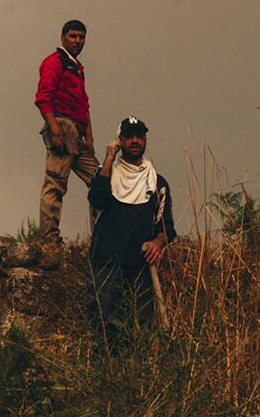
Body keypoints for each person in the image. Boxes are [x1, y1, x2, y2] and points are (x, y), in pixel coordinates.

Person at [87, 116, 176, 335]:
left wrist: (157, 243)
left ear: (145, 140)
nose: (135, 141)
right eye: (128, 137)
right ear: (120, 141)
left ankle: (139, 369)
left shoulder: (157, 183)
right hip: (107, 263)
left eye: (139, 136)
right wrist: (108, 158)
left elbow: (166, 227)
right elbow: (97, 200)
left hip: (140, 267)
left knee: (140, 329)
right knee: (104, 325)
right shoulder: (105, 174)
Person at [35, 19, 98, 242]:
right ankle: (49, 239)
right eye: (73, 36)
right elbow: (43, 99)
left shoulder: (76, 68)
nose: (78, 41)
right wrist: (55, 130)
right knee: (55, 182)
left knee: (101, 181)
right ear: (63, 37)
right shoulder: (55, 62)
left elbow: (84, 104)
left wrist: (89, 137)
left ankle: (101, 238)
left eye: (81, 37)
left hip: (76, 132)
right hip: (61, 125)